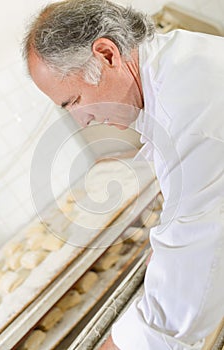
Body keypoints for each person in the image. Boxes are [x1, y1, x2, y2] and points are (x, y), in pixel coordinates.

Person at [22, 0, 224, 349]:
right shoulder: (176, 61)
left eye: (73, 101)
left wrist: (119, 344)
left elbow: (191, 285)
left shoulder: (187, 112)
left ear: (107, 54)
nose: (80, 120)